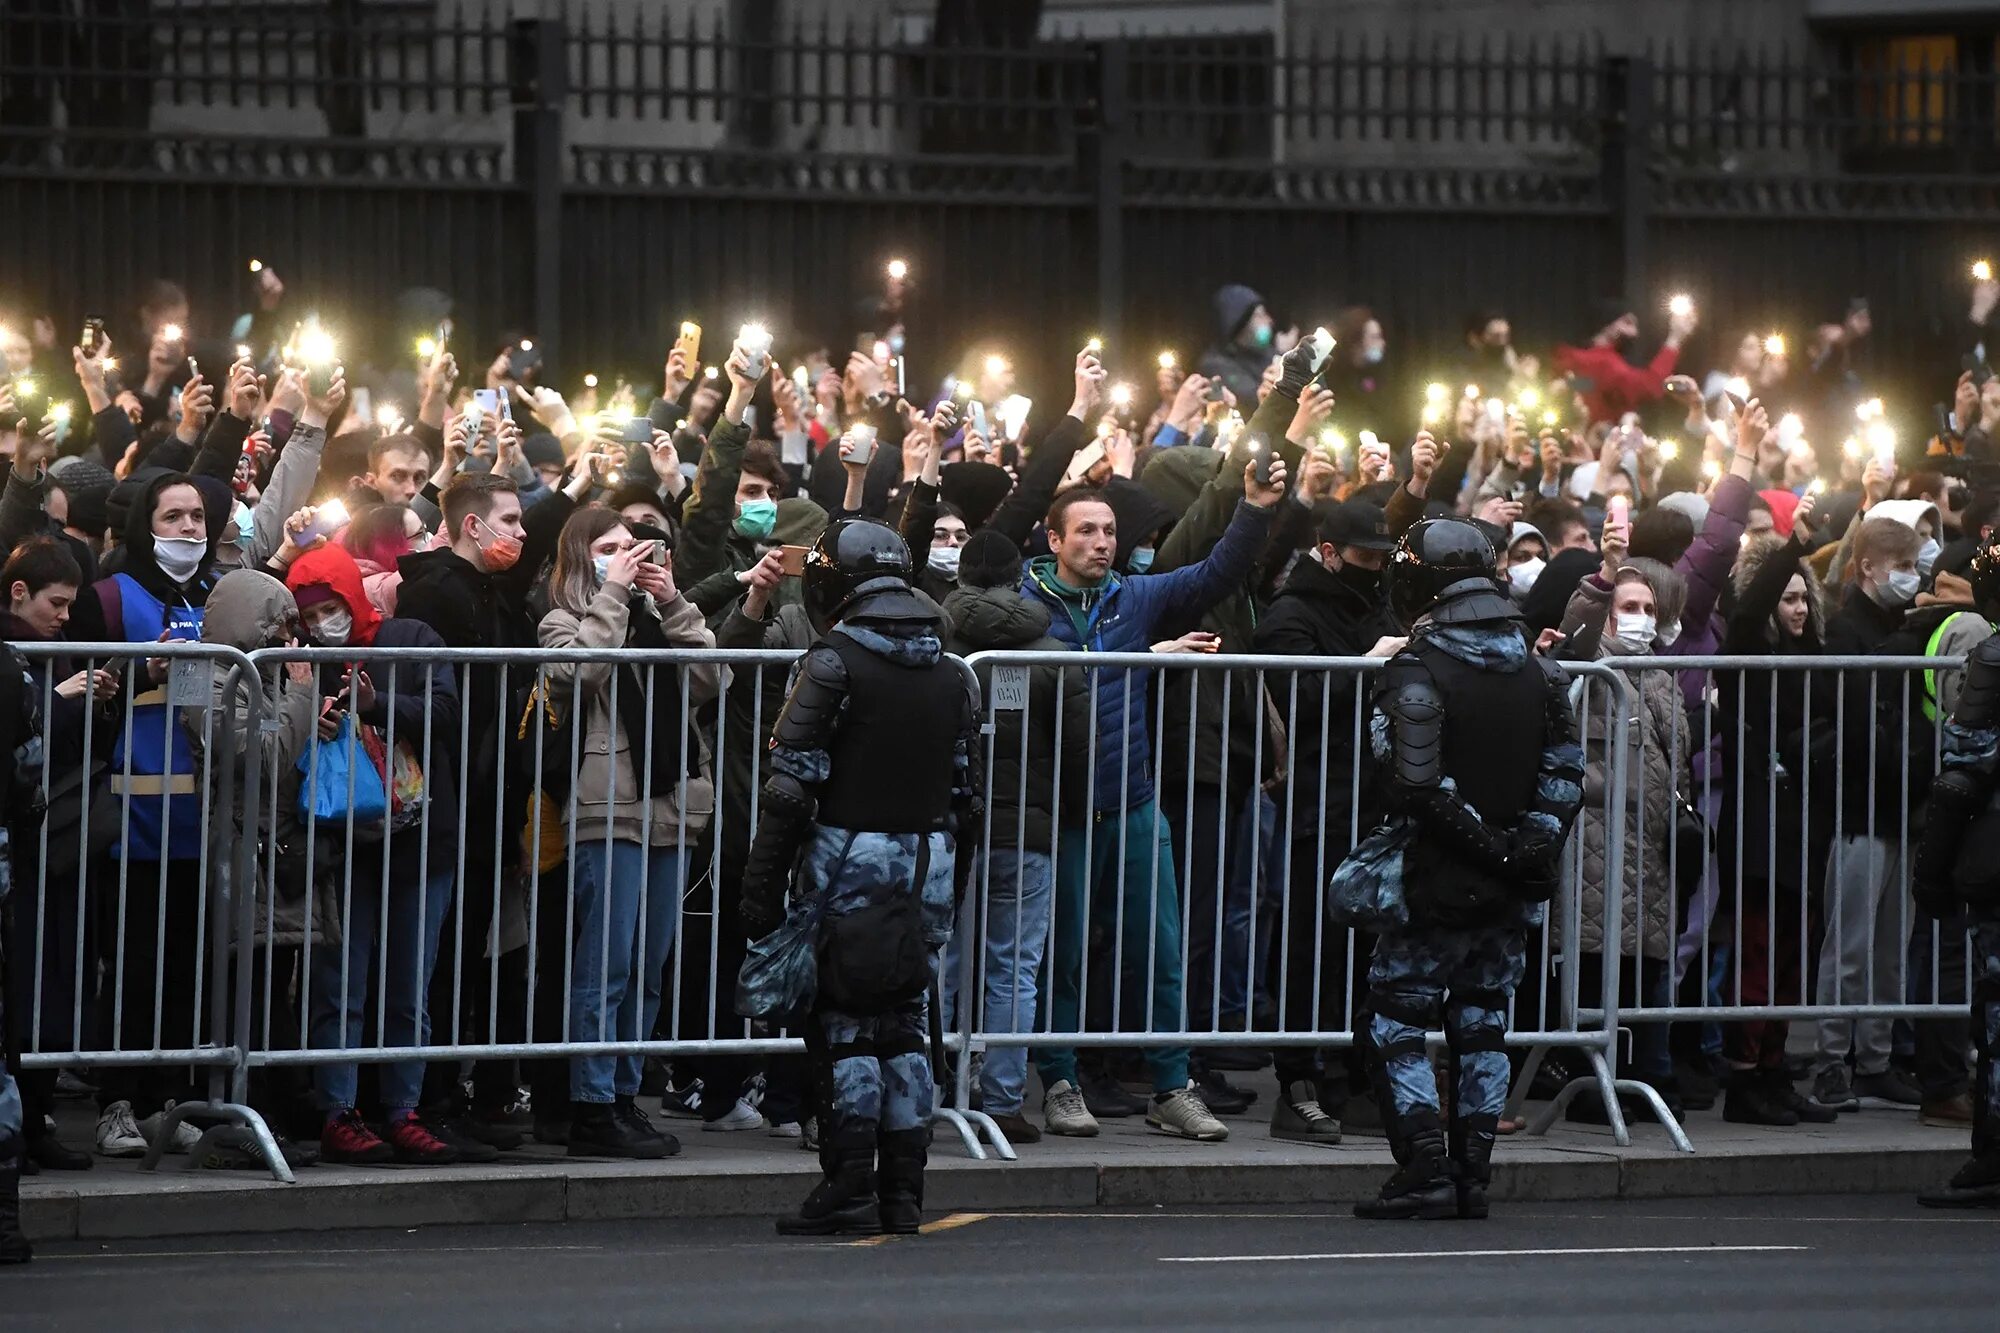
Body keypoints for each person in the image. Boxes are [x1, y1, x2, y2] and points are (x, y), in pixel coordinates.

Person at [1020, 453, 1285, 1142]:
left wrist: (1253, 508)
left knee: (1162, 951)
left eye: (1107, 531)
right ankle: (1060, 1081)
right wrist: (1145, 657)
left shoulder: (1132, 596)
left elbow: (1214, 574)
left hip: (1133, 803)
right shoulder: (1022, 606)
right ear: (1053, 540)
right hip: (1066, 812)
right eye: (1084, 531)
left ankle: (1171, 1085)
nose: (1102, 542)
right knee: (1066, 958)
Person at [738, 519, 981, 1236]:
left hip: (849, 866)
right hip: (926, 868)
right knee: (904, 1024)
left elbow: (789, 790)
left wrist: (759, 891)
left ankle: (847, 1182)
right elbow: (967, 798)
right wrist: (951, 890)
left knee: (845, 1027)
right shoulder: (952, 671)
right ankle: (903, 1191)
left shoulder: (832, 661)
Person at [1348, 518, 1583, 1221]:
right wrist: (1529, 849)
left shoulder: (1417, 671)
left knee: (1395, 1017)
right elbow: (1565, 775)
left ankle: (1426, 1168)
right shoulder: (1542, 673)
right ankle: (1471, 1177)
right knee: (1482, 1021)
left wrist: (1497, 850)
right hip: (1514, 884)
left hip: (1438, 879)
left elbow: (1416, 783)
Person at [537, 509, 722, 1158]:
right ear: (580, 556)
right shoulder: (566, 618)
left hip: (670, 809)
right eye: (608, 548)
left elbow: (712, 681)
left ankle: (621, 1097)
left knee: (648, 967)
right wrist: (614, 591)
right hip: (605, 806)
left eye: (632, 548)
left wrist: (672, 600)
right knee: (605, 966)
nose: (625, 556)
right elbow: (578, 671)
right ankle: (590, 1105)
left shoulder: (655, 616)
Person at [284, 544, 464, 1164]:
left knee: (409, 986)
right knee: (341, 984)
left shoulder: (411, 636)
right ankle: (339, 1109)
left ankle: (403, 1110)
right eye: (309, 614)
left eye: (331, 608)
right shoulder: (306, 660)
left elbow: (445, 710)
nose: (321, 623)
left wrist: (376, 705)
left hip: (420, 844)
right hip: (345, 846)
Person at [1252, 498, 1404, 1144]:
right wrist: (1368, 666)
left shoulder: (1377, 603)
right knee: (1309, 947)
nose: (1374, 567)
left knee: (1373, 948)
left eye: (1381, 557)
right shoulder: (1292, 612)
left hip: (1374, 802)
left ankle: (1357, 1078)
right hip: (1321, 804)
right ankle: (1298, 1082)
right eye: (1364, 556)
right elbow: (1302, 698)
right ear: (1331, 551)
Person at [939, 529, 1089, 1146]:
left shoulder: (936, 647)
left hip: (948, 829)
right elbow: (1079, 755)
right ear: (1015, 577)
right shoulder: (1052, 651)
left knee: (941, 963)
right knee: (1014, 969)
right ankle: (1003, 1101)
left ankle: (926, 1093)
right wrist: (1063, 818)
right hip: (1027, 831)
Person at [1809, 515, 1929, 1114]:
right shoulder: (1849, 631)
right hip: (1860, 808)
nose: (1910, 579)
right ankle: (1833, 1059)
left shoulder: (1896, 627)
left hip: (1899, 806)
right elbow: (1855, 718)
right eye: (1902, 568)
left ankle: (1875, 1057)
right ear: (1868, 569)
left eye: (1914, 567)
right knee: (1850, 943)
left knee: (1889, 945)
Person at [1912, 547, 2000, 1208]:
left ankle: (1993, 1154)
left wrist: (1933, 872)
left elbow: (1961, 773)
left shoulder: (1995, 657)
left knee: (1995, 1016)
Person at [1553, 298, 1698, 424]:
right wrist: (1675, 337)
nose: (1635, 329)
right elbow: (1649, 386)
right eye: (1627, 321)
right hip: (1596, 451)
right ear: (1606, 325)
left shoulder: (1575, 361)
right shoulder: (1602, 362)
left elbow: (1591, 384)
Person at [1197, 283, 1275, 405]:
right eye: (1259, 315)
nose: (1269, 321)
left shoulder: (1267, 353)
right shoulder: (1212, 366)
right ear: (1241, 323)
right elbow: (1250, 402)